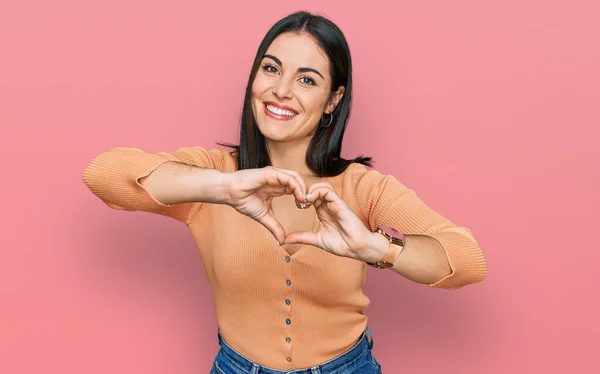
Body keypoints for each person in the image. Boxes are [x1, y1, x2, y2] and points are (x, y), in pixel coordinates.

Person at [82, 10, 487, 374]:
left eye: (307, 79)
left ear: (333, 100)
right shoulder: (212, 174)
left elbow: (466, 261)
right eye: (271, 69)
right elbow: (103, 174)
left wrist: (376, 248)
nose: (281, 90)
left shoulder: (362, 187)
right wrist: (223, 187)